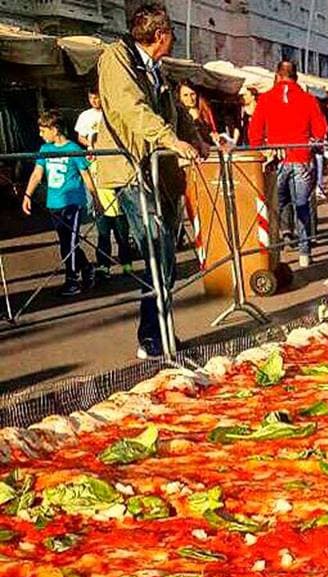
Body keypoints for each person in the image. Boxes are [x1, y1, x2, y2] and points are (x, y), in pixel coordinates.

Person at [95, 2, 201, 359]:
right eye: (172, 33)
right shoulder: (116, 58)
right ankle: (151, 337)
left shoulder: (157, 67)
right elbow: (131, 107)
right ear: (160, 35)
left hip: (160, 172)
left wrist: (197, 139)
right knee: (157, 247)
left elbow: (176, 112)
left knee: (166, 253)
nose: (174, 40)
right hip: (131, 168)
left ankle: (163, 330)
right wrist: (169, 139)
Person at [248, 60, 327, 267]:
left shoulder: (265, 99)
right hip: (301, 157)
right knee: (302, 205)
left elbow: (254, 132)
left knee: (274, 207)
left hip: (276, 158)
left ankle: (273, 253)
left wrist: (261, 151)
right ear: (296, 77)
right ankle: (304, 252)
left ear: (277, 75)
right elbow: (320, 130)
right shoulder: (308, 99)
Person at [21, 110, 100, 296]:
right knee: (66, 242)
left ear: (55, 129)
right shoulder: (45, 150)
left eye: (43, 130)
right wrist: (27, 195)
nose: (41, 134)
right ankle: (87, 267)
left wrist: (95, 199)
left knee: (70, 242)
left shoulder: (73, 148)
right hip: (54, 202)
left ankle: (72, 280)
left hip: (72, 202)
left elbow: (85, 175)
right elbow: (37, 174)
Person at [74, 87, 134, 278]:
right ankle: (104, 266)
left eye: (98, 98)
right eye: (92, 98)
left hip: (118, 195)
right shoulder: (86, 119)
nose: (95, 101)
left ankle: (127, 264)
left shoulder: (111, 114)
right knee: (103, 234)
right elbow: (88, 174)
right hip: (100, 196)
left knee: (122, 234)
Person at [177, 82, 219, 149]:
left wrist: (214, 136)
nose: (190, 99)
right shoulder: (177, 115)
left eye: (192, 94)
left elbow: (210, 134)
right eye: (185, 95)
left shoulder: (205, 111)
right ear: (180, 97)